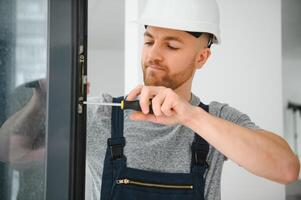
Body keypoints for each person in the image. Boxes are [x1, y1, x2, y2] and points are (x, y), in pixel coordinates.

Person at [85, 0, 300, 200]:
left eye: (171, 46)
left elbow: (287, 168)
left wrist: (191, 116)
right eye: (149, 41)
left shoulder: (216, 119)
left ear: (201, 58)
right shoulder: (102, 115)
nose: (153, 55)